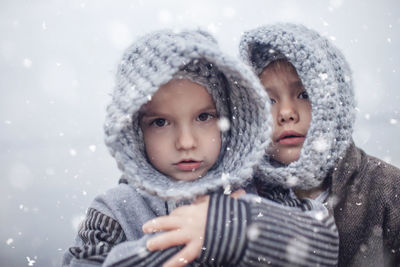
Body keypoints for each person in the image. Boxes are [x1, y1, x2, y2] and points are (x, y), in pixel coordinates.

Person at [62, 29, 339, 267]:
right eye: (160, 122)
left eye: (204, 117)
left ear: (227, 118)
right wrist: (183, 241)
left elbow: (323, 247)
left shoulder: (260, 189)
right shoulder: (115, 211)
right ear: (135, 131)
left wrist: (235, 228)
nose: (186, 142)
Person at [238, 23, 400, 266]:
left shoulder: (388, 191)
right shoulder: (241, 196)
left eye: (304, 94)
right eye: (268, 100)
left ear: (334, 99)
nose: (286, 113)